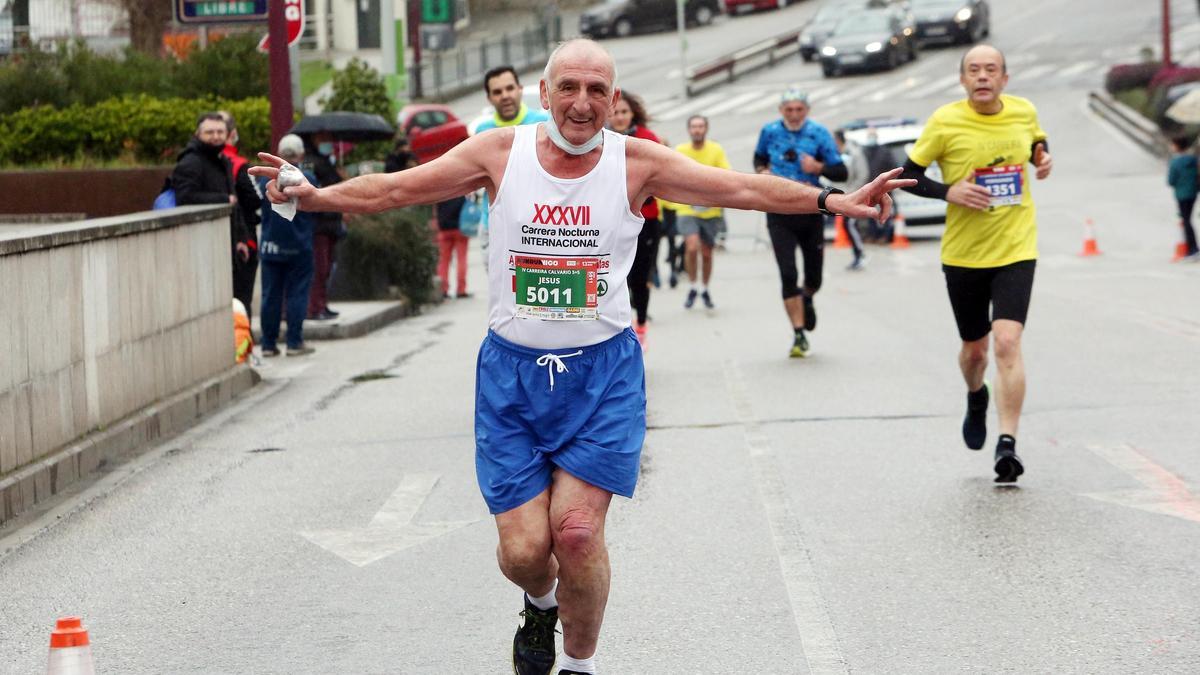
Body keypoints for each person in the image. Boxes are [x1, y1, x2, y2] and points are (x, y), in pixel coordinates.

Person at [252, 38, 908, 675]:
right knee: (524, 551)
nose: (583, 102)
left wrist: (832, 201)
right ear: (543, 94)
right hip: (511, 379)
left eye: (597, 89)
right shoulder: (499, 153)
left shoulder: (637, 163)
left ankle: (579, 662)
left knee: (574, 534)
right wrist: (315, 197)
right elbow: (399, 189)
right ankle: (540, 605)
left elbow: (741, 188)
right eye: (569, 86)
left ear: (613, 98)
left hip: (602, 376)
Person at [900, 44, 1053, 484]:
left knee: (1006, 341)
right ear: (963, 80)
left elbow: (1036, 142)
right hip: (964, 255)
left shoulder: (1023, 111)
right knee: (975, 351)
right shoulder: (945, 121)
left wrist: (1042, 158)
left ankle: (1007, 444)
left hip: (1016, 249)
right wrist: (950, 191)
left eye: (991, 70)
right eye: (974, 70)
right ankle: (975, 395)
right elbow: (909, 175)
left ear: (1005, 79)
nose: (983, 76)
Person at [754, 89, 849, 358]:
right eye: (789, 110)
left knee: (814, 277)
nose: (794, 115)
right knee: (787, 274)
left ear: (807, 110)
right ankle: (798, 334)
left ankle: (807, 297)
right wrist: (763, 171)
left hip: (810, 209)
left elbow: (841, 172)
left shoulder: (819, 133)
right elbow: (759, 157)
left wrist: (818, 168)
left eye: (799, 110)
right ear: (781, 110)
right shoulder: (769, 131)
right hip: (778, 210)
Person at [475, 65, 552, 264]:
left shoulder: (543, 124)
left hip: (538, 229)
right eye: (497, 92)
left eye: (510, 88)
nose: (505, 96)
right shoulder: (483, 132)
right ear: (489, 98)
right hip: (493, 227)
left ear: (520, 89)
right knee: (499, 293)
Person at [172, 112, 252, 302]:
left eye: (220, 132)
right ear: (197, 134)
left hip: (227, 245)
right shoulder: (190, 162)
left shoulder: (222, 161)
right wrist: (223, 199)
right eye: (209, 132)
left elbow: (235, 203)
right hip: (201, 248)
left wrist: (240, 238)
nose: (215, 136)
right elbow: (185, 197)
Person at [256, 134, 317, 358]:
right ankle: (294, 342)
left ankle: (268, 344)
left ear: (279, 154)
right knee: (297, 294)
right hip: (299, 245)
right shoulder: (308, 178)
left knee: (270, 295)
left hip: (271, 245)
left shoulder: (265, 181)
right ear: (301, 154)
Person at [607, 91, 661, 342]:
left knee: (640, 276)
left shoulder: (647, 139)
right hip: (610, 221)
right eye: (615, 112)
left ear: (633, 114)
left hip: (646, 219)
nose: (619, 117)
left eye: (624, 112)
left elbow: (661, 177)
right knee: (616, 278)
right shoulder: (600, 139)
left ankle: (641, 324)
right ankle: (621, 328)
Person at [674, 115, 731, 308]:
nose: (697, 130)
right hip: (686, 208)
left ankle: (704, 288)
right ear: (689, 130)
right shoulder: (681, 150)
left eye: (700, 126)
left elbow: (726, 174)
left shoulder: (715, 150)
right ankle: (692, 286)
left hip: (710, 209)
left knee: (707, 253)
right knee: (691, 247)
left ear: (706, 129)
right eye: (694, 127)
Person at [217, 110, 263, 318]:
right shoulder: (237, 164)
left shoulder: (195, 163)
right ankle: (243, 346)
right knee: (241, 301)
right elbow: (255, 199)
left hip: (215, 243)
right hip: (242, 241)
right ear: (232, 133)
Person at [303, 132, 345, 321]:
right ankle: (315, 307)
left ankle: (322, 304)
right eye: (322, 139)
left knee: (327, 267)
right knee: (319, 268)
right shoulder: (312, 163)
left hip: (331, 221)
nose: (326, 142)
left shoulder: (327, 161)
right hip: (320, 222)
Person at [831, 128, 867, 270]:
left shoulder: (854, 153)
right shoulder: (837, 154)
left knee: (850, 224)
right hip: (843, 197)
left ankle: (860, 255)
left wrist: (852, 193)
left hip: (854, 195)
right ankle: (858, 255)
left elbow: (862, 175)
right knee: (848, 225)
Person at [860, 126, 899, 244]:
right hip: (869, 189)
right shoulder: (864, 151)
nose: (871, 138)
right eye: (869, 135)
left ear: (876, 137)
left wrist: (889, 184)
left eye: (873, 135)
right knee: (870, 214)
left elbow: (893, 168)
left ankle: (885, 236)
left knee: (886, 212)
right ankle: (872, 235)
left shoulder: (885, 151)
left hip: (884, 189)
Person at [1166, 136, 1200, 260]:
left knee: (1186, 221)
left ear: (1177, 146)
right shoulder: (1194, 159)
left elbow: (1171, 181)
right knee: (1188, 220)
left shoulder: (1175, 162)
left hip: (1181, 194)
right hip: (1193, 193)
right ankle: (1193, 248)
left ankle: (1192, 249)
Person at [435, 195, 471, 298]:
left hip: (444, 229)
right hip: (460, 229)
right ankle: (461, 289)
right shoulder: (461, 192)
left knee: (443, 261)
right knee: (462, 259)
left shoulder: (441, 193)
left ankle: (443, 290)